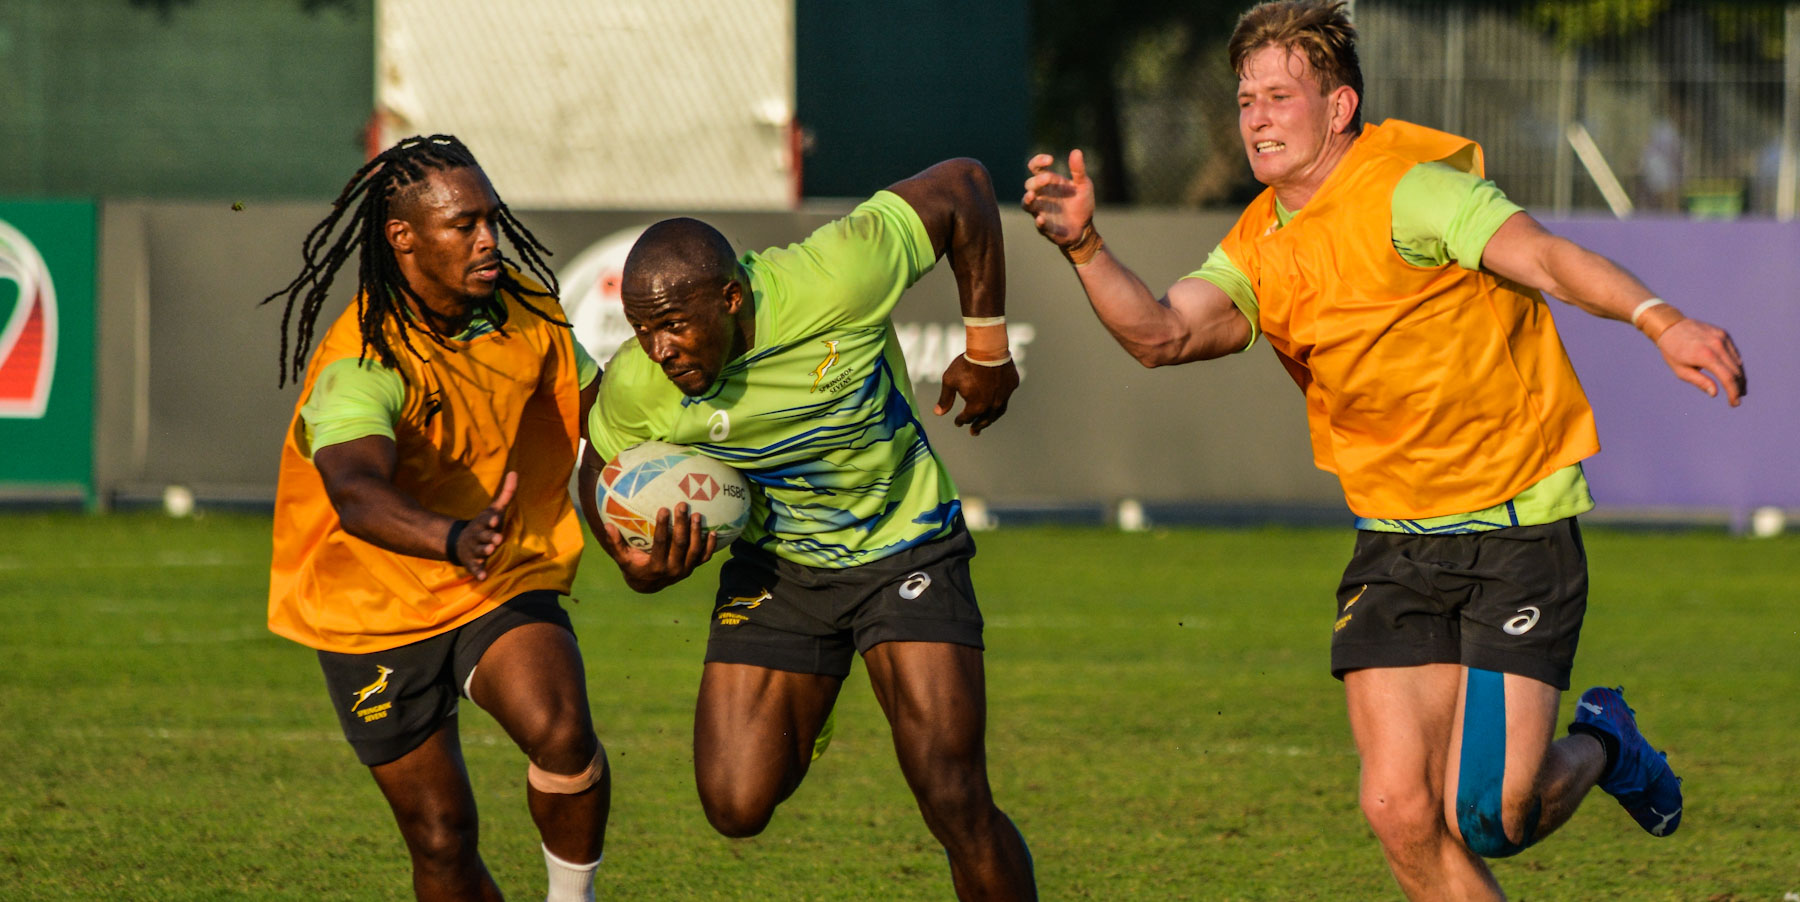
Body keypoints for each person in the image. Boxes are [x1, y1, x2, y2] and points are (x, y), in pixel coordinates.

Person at [1023, 2, 1745, 899]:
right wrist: (1086, 247)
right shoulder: (1261, 240)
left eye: (1279, 96)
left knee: (1490, 818)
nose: (1256, 118)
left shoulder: (1411, 189)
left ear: (1339, 107)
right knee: (1399, 810)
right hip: (1395, 542)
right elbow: (1163, 334)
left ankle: (1604, 742)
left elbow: (1547, 259)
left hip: (1515, 528)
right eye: (1245, 99)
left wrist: (1660, 320)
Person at [579, 157, 1036, 901]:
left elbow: (965, 188)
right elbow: (597, 464)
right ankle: (814, 696)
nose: (659, 350)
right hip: (779, 569)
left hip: (905, 543)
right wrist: (629, 558)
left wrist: (987, 345)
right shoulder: (639, 382)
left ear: (731, 298)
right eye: (642, 330)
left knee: (952, 796)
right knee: (734, 806)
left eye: (673, 326)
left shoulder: (834, 278)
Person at [263, 134, 609, 902]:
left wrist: (640, 498)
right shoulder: (363, 359)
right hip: (371, 606)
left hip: (497, 576)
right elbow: (356, 491)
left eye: (493, 219)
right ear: (404, 236)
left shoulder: (526, 308)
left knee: (561, 731)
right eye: (465, 224)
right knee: (442, 836)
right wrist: (453, 537)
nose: (489, 240)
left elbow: (603, 409)